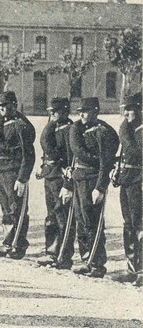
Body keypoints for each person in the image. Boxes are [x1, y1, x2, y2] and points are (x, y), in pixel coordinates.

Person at [64, 97, 119, 278]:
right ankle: (86, 259)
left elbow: (106, 162)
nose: (81, 115)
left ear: (95, 112)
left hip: (93, 180)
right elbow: (76, 153)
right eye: (80, 111)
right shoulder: (79, 128)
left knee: (93, 221)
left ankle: (97, 264)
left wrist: (100, 187)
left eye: (85, 111)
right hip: (80, 178)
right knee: (81, 220)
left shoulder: (104, 132)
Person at [0, 91, 36, 260]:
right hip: (1, 171)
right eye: (0, 106)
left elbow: (29, 154)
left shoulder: (21, 125)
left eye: (5, 106)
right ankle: (8, 242)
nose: (2, 109)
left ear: (14, 105)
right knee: (6, 209)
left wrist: (22, 178)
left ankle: (18, 245)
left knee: (17, 209)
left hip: (14, 171)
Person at [35, 97, 75, 269]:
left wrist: (68, 184)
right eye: (50, 111)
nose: (51, 114)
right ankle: (51, 252)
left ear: (65, 112)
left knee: (62, 217)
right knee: (51, 216)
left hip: (61, 177)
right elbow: (45, 146)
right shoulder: (54, 127)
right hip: (50, 176)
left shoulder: (69, 130)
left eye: (55, 111)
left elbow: (71, 158)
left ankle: (64, 256)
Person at [112, 92, 142, 285]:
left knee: (140, 224)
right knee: (129, 223)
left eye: (130, 110)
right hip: (128, 180)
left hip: (139, 181)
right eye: (125, 110)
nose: (126, 113)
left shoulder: (138, 130)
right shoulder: (130, 128)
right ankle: (132, 268)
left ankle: (141, 270)